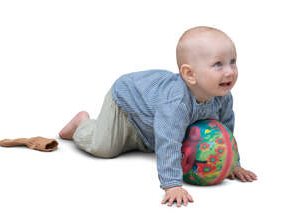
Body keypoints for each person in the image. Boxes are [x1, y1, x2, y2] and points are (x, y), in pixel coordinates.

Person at [58, 26, 257, 207]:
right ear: (190, 75)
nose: (230, 71)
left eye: (233, 62)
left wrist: (232, 164)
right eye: (218, 65)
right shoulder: (176, 103)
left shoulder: (222, 96)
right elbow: (168, 141)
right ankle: (82, 124)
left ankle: (136, 136)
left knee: (154, 138)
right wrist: (172, 185)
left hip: (150, 117)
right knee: (104, 148)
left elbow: (225, 130)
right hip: (126, 103)